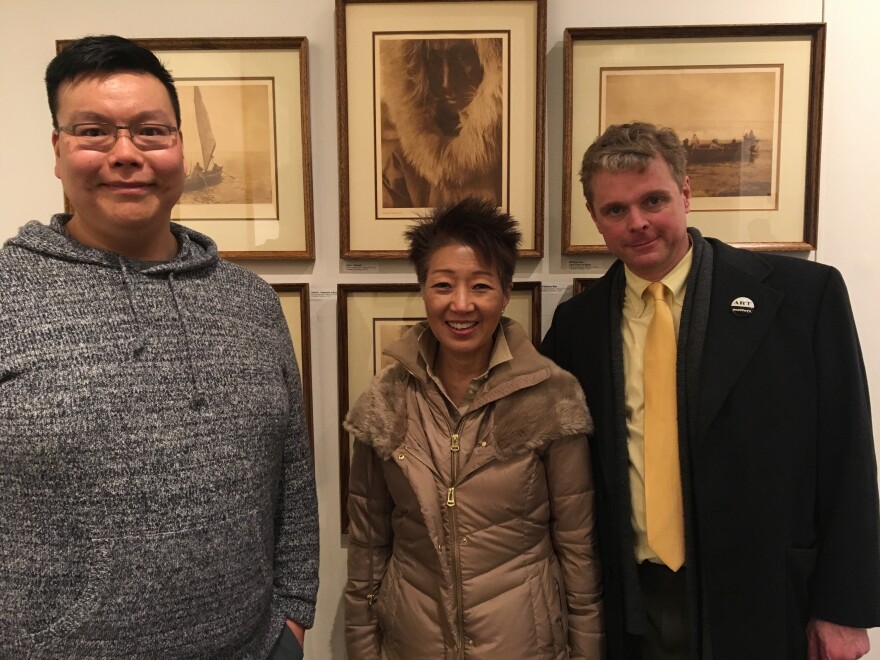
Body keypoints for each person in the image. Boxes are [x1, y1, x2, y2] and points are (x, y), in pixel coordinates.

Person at [0, 35, 318, 657]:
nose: (125, 154)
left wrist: (295, 615)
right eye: (94, 132)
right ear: (58, 151)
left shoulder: (251, 301)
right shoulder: (8, 294)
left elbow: (293, 477)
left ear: (179, 147)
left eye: (151, 132)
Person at [541, 121, 880, 659]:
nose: (638, 223)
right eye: (615, 210)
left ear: (686, 194)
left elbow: (848, 459)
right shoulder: (575, 327)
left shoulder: (801, 299)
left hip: (766, 598)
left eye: (653, 200)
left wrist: (843, 607)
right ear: (595, 218)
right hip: (632, 606)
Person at [344, 197, 604, 658]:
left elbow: (578, 553)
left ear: (505, 294)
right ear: (423, 289)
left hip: (526, 642)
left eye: (480, 286)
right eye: (443, 285)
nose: (461, 304)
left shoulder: (553, 398)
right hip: (414, 642)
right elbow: (367, 553)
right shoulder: (384, 403)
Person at [379, 38, 503, 209]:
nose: (446, 82)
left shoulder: (514, 154)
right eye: (434, 62)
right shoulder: (402, 165)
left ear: (490, 64)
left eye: (461, 58)